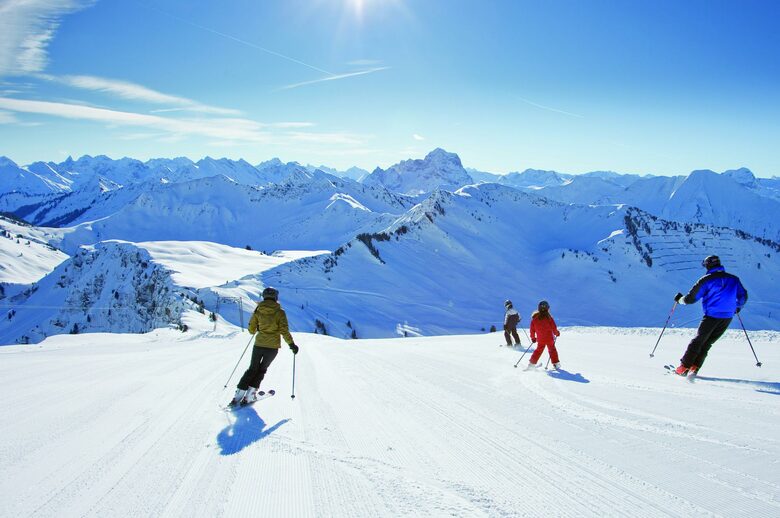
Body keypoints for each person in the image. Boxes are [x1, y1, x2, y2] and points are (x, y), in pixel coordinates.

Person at [672, 255, 747, 377]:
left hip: (712, 316)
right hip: (727, 317)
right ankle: (694, 367)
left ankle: (683, 367)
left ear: (707, 265)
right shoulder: (734, 279)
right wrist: (737, 307)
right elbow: (743, 296)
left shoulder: (706, 280)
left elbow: (691, 298)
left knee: (698, 341)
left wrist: (680, 300)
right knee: (707, 343)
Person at [229, 286, 299, 406]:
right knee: (262, 370)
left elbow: (251, 330)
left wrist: (258, 327)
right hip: (272, 347)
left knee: (252, 369)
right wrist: (292, 345)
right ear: (276, 297)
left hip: (259, 344)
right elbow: (284, 331)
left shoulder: (258, 310)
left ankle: (238, 394)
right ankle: (250, 395)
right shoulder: (280, 312)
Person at [526, 300, 561, 370]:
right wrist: (557, 333)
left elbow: (532, 330)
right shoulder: (549, 318)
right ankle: (556, 364)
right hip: (549, 339)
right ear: (548, 309)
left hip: (540, 339)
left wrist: (533, 338)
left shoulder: (534, 319)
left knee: (538, 351)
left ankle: (531, 364)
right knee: (552, 350)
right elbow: (554, 328)